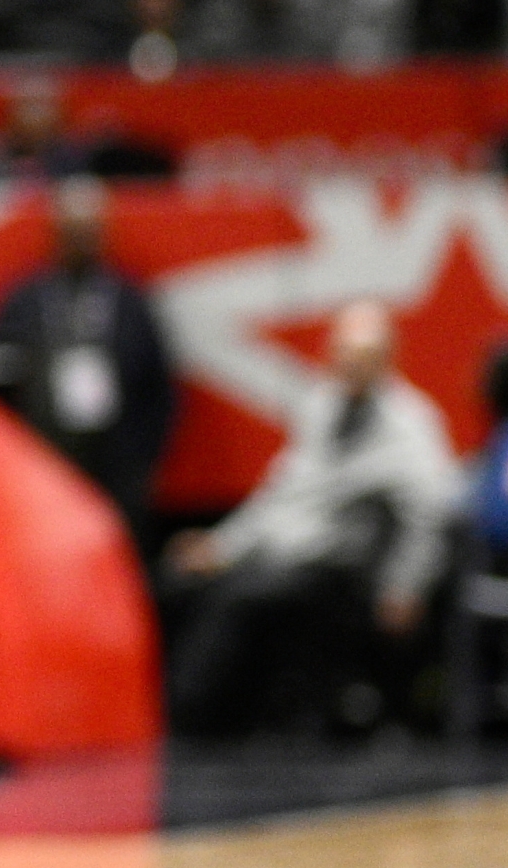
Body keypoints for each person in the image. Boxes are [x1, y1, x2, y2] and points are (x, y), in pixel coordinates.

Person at [163, 301, 459, 736]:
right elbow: (277, 495)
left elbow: (430, 517)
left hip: (336, 564)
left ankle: (187, 719)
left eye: (363, 359)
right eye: (343, 356)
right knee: (179, 579)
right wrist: (220, 547)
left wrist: (405, 586)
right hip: (279, 549)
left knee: (239, 599)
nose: (351, 369)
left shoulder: (413, 425)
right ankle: (211, 713)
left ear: (386, 361)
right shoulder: (321, 406)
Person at [0, 177, 177, 551]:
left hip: (117, 461)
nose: (81, 241)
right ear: (56, 234)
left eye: (89, 232)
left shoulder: (129, 302)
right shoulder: (26, 300)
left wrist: (144, 460)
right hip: (46, 457)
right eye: (72, 232)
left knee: (119, 552)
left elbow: (159, 384)